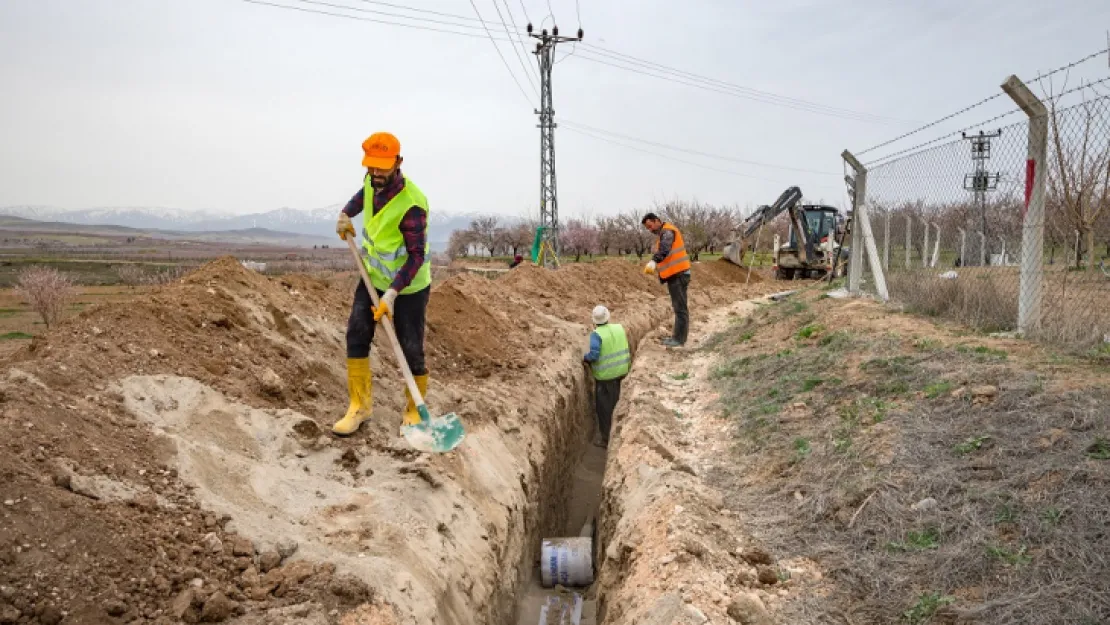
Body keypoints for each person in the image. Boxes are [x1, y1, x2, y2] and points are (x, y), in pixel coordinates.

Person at [332, 131, 432, 436]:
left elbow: (415, 257)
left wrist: (391, 294)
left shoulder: (412, 204)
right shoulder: (370, 181)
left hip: (409, 286)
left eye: (382, 167)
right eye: (371, 166)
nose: (375, 173)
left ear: (398, 163)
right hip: (372, 278)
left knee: (410, 346)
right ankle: (359, 406)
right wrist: (345, 214)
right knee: (357, 333)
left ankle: (415, 409)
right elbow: (360, 197)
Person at [582, 305, 630, 448]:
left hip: (605, 378)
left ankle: (606, 439)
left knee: (604, 409)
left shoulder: (597, 335)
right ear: (608, 317)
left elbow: (595, 355)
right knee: (618, 404)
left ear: (594, 321)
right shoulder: (619, 328)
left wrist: (585, 358)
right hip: (622, 372)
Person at [641, 212, 691, 347]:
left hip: (678, 275)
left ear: (657, 220)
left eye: (650, 226)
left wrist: (653, 261)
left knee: (680, 308)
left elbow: (665, 249)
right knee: (680, 307)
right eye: (648, 228)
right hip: (678, 274)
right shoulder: (665, 233)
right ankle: (680, 337)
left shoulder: (667, 232)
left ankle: (679, 339)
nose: (650, 230)